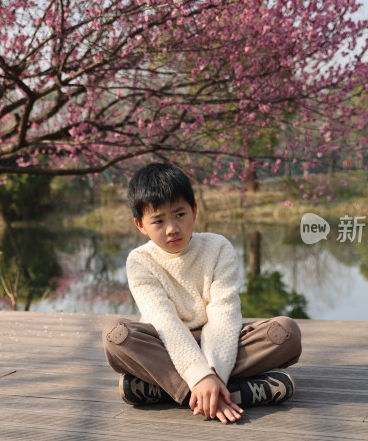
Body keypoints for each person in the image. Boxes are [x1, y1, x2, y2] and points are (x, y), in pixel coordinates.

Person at [102, 162, 302, 424]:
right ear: (141, 225)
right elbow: (164, 322)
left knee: (285, 333)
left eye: (179, 215)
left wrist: (213, 372)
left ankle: (172, 390)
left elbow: (224, 312)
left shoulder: (218, 247)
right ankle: (232, 393)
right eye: (158, 220)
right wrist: (200, 375)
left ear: (194, 211)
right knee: (116, 337)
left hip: (221, 342)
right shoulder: (139, 260)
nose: (172, 228)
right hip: (163, 343)